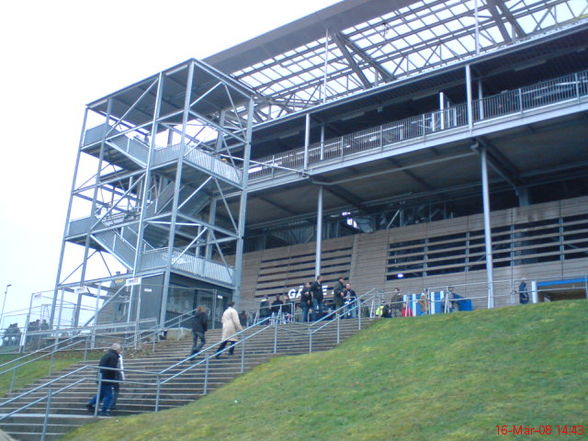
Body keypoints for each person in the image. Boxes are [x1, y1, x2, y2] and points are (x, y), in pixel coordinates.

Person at [87, 343, 122, 416]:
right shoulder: (113, 356)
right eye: (120, 349)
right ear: (116, 350)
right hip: (106, 378)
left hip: (101, 376)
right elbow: (111, 369)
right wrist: (113, 380)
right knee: (109, 396)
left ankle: (90, 404)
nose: (120, 351)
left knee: (101, 394)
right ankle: (104, 411)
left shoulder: (107, 355)